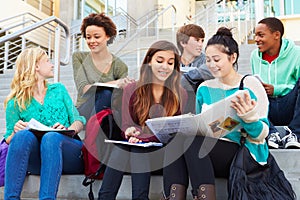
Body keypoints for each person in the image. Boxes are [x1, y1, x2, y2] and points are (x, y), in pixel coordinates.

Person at [162, 27, 269, 199]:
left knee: (193, 143)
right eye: (208, 60)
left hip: (242, 151)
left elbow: (262, 134)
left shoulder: (249, 84)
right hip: (207, 148)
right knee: (177, 140)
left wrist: (248, 118)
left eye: (217, 59)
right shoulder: (204, 88)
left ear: (232, 57)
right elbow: (202, 125)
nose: (211, 65)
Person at [98, 40, 187, 200]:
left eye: (170, 63)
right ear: (149, 62)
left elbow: (177, 130)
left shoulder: (180, 93)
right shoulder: (132, 89)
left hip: (164, 154)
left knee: (138, 147)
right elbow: (126, 124)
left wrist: (143, 137)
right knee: (123, 148)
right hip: (136, 149)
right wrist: (129, 132)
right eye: (159, 61)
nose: (165, 67)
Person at [3, 47, 86, 199]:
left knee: (51, 137)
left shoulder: (59, 90)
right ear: (36, 66)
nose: (52, 64)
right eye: (47, 61)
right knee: (21, 137)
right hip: (38, 160)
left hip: (68, 153)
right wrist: (16, 131)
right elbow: (9, 138)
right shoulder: (15, 102)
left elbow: (79, 120)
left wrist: (68, 129)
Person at [73, 12, 133, 120]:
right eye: (88, 37)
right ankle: (94, 134)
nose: (92, 41)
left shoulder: (120, 66)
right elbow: (83, 89)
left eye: (96, 37)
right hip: (83, 110)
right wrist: (115, 83)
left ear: (108, 36)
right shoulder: (79, 57)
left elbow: (120, 97)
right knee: (105, 93)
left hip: (108, 110)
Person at [251, 17, 300, 149]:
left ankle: (296, 134)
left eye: (261, 35)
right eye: (255, 35)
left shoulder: (296, 53)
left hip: (290, 105)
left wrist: (276, 89)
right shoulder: (254, 56)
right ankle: (271, 133)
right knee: (248, 85)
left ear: (276, 35)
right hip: (267, 108)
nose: (256, 39)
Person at [177, 24, 214, 112]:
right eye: (197, 40)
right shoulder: (173, 62)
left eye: (202, 41)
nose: (200, 44)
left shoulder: (208, 61)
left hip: (201, 110)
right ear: (183, 42)